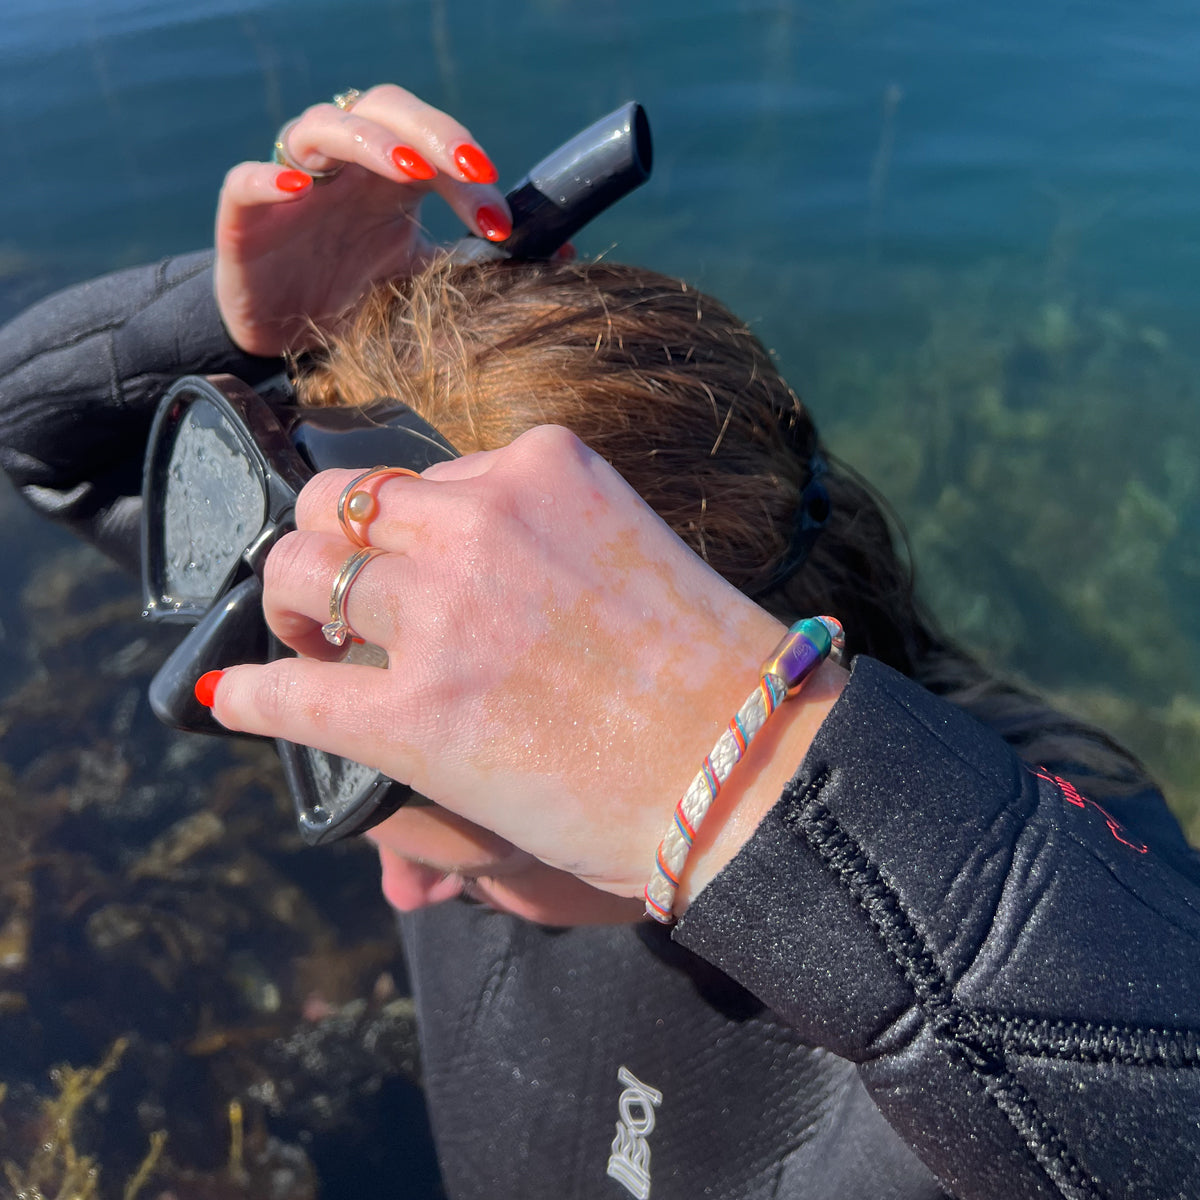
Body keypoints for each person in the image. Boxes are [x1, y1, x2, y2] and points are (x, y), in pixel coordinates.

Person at [1, 84, 1198, 1200]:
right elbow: (34, 441)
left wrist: (738, 771)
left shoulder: (998, 978)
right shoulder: (407, 671)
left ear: (640, 691)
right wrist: (248, 336)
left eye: (473, 870)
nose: (405, 892)